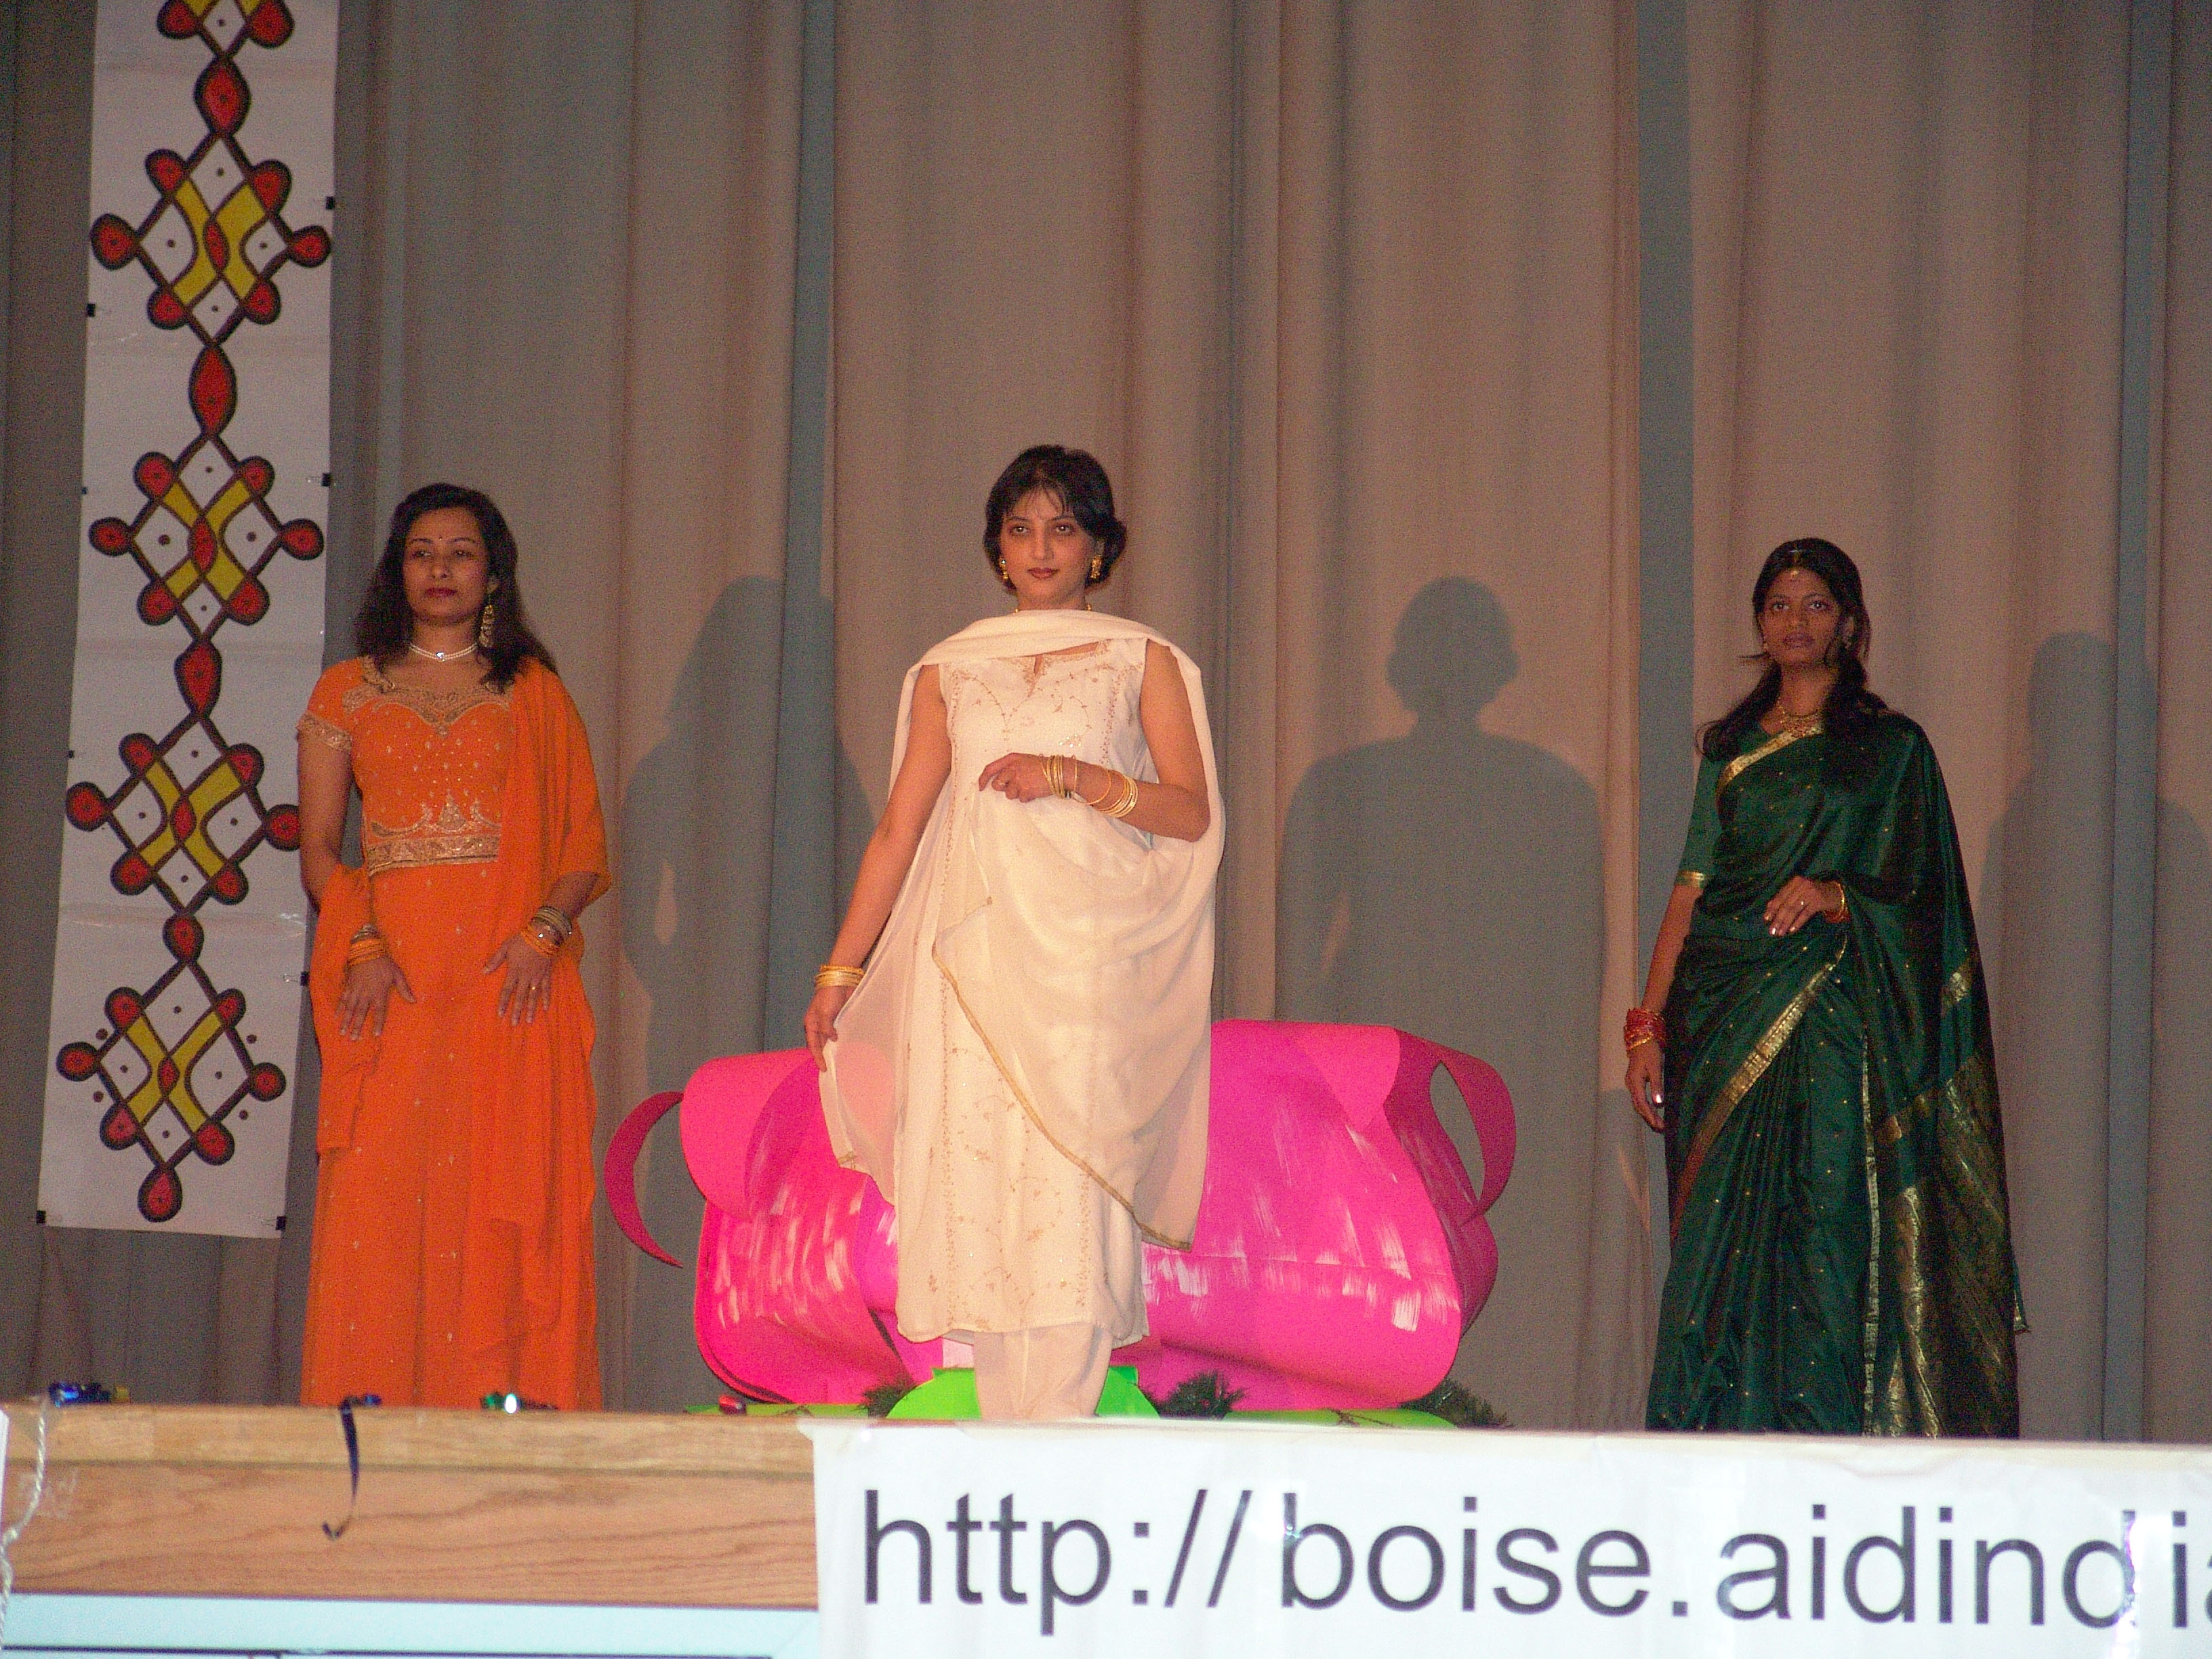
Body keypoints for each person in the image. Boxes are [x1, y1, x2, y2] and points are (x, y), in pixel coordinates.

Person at [806, 445, 1223, 1420]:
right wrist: (840, 971)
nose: (1041, 548)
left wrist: (1074, 777)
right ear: (997, 549)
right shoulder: (949, 669)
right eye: (1021, 529)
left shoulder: (1140, 658)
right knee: (985, 1190)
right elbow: (899, 830)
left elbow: (1189, 811)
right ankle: (1004, 1448)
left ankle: (1061, 1443)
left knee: (1067, 1192)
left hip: (1087, 956)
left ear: (1099, 549)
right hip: (973, 960)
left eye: (1064, 529)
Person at [1627, 538, 2022, 1435]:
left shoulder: (1889, 751)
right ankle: (1709, 1443)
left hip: (1839, 1022)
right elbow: (1690, 893)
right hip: (1722, 1014)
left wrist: (1843, 895)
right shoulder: (1732, 750)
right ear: (1759, 622)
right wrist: (1647, 1026)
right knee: (1719, 1245)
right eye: (1779, 605)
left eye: (1815, 604)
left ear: (1847, 621)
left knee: (1827, 1227)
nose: (1795, 622)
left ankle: (1826, 1444)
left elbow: (1928, 897)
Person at [295, 483, 610, 1409]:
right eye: (422, 552)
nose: (440, 569)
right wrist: (361, 944)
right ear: (398, 571)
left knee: (496, 1202)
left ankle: (501, 1421)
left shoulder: (532, 692)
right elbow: (318, 849)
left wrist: (542, 935)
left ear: (493, 574)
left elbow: (583, 850)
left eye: (461, 552)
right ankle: (372, 1431)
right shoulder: (347, 690)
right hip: (389, 981)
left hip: (504, 983)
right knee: (381, 1201)